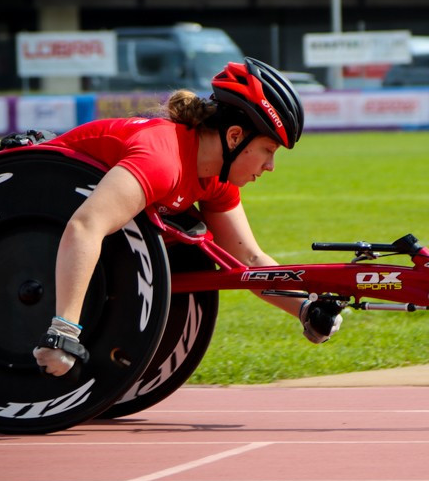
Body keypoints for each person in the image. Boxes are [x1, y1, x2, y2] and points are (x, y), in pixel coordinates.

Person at [32, 57, 343, 377]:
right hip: (28, 208)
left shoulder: (216, 181)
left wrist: (305, 309)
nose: (270, 166)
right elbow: (85, 226)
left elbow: (249, 260)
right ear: (235, 137)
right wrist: (63, 331)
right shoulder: (162, 158)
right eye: (268, 150)